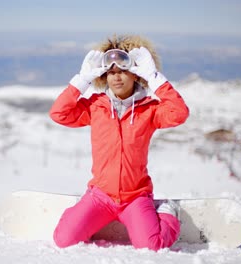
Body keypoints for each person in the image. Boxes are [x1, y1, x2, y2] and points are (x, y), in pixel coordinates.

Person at [49, 35, 189, 251]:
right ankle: (81, 213)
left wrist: (154, 78)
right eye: (111, 72)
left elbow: (179, 113)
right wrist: (82, 80)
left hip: (135, 197)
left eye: (123, 71)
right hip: (100, 196)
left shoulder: (149, 109)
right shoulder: (96, 106)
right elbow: (59, 114)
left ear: (135, 73)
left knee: (152, 246)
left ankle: (165, 211)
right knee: (64, 240)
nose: (116, 77)